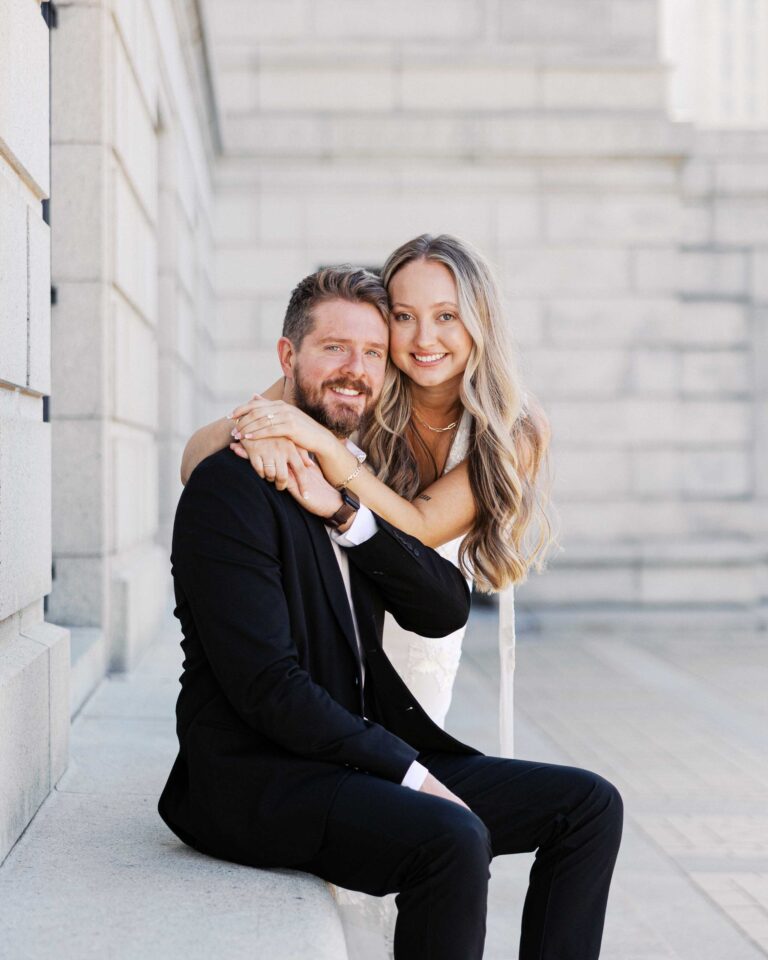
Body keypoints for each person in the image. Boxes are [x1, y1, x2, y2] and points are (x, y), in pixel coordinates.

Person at [161, 265, 623, 960]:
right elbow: (268, 689)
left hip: (350, 745)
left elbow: (442, 608)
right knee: (450, 838)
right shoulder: (235, 486)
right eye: (334, 349)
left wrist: (347, 512)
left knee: (589, 806)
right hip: (257, 775)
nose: (356, 369)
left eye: (372, 354)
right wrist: (410, 773)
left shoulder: (344, 471)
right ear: (288, 359)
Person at [181, 234, 553, 728]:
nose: (423, 339)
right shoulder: (362, 382)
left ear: (479, 319)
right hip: (332, 624)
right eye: (404, 316)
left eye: (446, 315)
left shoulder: (514, 428)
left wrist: (325, 448)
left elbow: (418, 530)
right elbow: (193, 463)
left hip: (423, 632)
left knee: (408, 771)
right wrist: (254, 429)